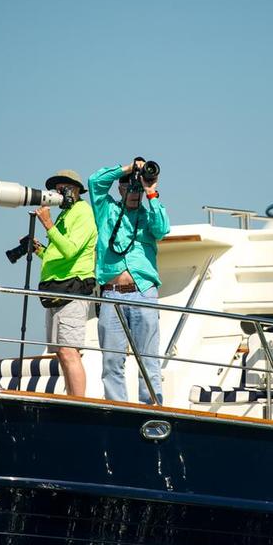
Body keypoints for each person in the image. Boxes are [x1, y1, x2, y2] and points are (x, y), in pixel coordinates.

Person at [88, 158, 170, 403]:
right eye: (130, 188)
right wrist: (128, 169)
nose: (134, 193)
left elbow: (163, 229)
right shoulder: (106, 211)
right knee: (112, 361)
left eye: (137, 189)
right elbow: (94, 181)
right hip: (112, 294)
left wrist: (150, 189)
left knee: (148, 359)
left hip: (143, 292)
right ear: (120, 189)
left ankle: (152, 407)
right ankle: (117, 407)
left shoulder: (149, 215)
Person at [30, 169, 97, 396]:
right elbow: (57, 255)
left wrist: (48, 225)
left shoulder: (83, 212)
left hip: (73, 289)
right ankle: (72, 398)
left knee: (69, 351)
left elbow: (70, 251)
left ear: (77, 190)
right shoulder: (64, 215)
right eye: (57, 188)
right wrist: (39, 250)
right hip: (58, 290)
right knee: (61, 352)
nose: (59, 191)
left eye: (64, 187)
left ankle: (79, 403)